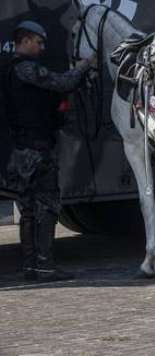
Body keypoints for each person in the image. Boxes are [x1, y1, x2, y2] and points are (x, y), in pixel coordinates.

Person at [1, 20, 93, 281]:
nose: (42, 48)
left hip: (20, 152)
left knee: (28, 211)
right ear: (26, 40)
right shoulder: (26, 69)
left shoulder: (9, 69)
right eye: (39, 42)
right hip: (37, 152)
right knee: (47, 208)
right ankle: (45, 266)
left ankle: (31, 266)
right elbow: (62, 83)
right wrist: (85, 65)